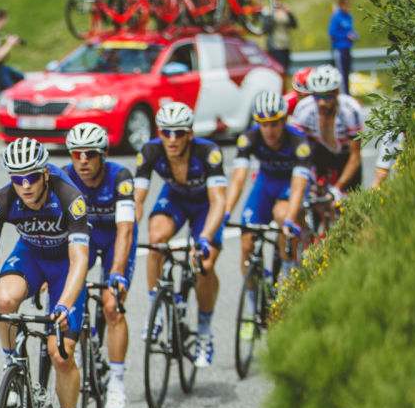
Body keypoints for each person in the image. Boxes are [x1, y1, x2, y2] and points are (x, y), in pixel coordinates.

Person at [0, 137, 90, 408]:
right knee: (4, 299)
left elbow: (80, 259)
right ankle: (13, 364)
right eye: (17, 178)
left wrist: (65, 304)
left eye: (32, 177)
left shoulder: (70, 198)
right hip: (32, 256)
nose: (25, 185)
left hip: (65, 267)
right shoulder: (0, 201)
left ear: (45, 174)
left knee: (60, 354)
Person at [133, 102, 227, 368]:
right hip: (175, 199)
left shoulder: (208, 152)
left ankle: (205, 330)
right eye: (166, 132)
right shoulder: (150, 151)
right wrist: (129, 232)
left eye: (179, 132)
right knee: (155, 242)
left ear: (190, 134)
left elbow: (219, 200)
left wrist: (205, 237)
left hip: (206, 205)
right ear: (159, 133)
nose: (172, 139)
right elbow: (137, 199)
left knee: (204, 264)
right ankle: (157, 311)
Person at [60, 123, 137, 408]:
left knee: (112, 305)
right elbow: (60, 231)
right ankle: (85, 339)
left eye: (90, 154)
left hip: (116, 237)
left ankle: (116, 382)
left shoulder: (120, 177)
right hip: (86, 238)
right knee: (68, 294)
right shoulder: (65, 176)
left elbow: (126, 229)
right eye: (76, 154)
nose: (82, 160)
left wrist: (116, 273)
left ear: (103, 154)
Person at [224, 92, 313, 299]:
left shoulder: (299, 142)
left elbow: (299, 186)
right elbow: (238, 180)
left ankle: (288, 270)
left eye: (274, 124)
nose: (269, 131)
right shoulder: (249, 138)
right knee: (247, 243)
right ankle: (252, 307)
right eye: (264, 125)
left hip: (290, 184)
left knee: (282, 215)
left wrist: (290, 218)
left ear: (284, 120)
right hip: (265, 184)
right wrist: (226, 212)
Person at [289, 64, 365, 193]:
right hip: (320, 155)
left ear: (337, 92)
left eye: (327, 97)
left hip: (346, 156)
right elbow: (298, 150)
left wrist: (338, 188)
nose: (322, 103)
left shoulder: (350, 110)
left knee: (348, 198)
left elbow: (355, 156)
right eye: (317, 96)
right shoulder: (303, 109)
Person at [266, 0, 298, 88]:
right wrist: (272, 13)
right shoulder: (269, 9)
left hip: (285, 44)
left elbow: (294, 25)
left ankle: (284, 89)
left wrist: (289, 13)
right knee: (277, 72)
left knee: (285, 71)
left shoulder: (285, 8)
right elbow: (266, 27)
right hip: (275, 46)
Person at [328, 0, 358, 95]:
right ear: (341, 5)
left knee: (347, 72)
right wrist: (346, 36)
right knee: (341, 73)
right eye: (345, 4)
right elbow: (332, 33)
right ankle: (343, 93)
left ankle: (347, 93)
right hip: (339, 48)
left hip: (347, 48)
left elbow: (351, 31)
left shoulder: (349, 17)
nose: (347, 7)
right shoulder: (336, 17)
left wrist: (355, 36)